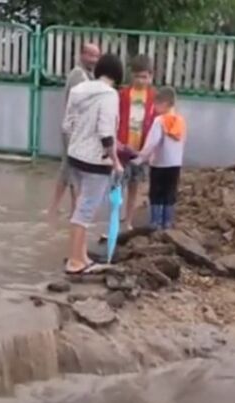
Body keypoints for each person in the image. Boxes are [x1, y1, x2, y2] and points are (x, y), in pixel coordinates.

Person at [62, 53, 124, 274]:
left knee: (79, 208)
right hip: (96, 162)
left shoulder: (79, 90)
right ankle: (75, 263)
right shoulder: (109, 95)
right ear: (117, 73)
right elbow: (106, 132)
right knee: (85, 212)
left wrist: (77, 144)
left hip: (75, 156)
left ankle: (80, 256)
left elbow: (67, 125)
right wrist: (116, 162)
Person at [47, 43, 100, 221]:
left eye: (96, 56)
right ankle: (55, 209)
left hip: (77, 129)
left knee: (72, 169)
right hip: (73, 130)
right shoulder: (78, 75)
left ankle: (69, 209)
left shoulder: (88, 75)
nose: (94, 59)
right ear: (82, 55)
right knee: (69, 168)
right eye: (91, 55)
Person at [133, 87, 186, 230]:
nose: (154, 107)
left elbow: (152, 143)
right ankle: (167, 222)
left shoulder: (159, 121)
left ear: (165, 104)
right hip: (175, 164)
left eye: (156, 104)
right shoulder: (180, 121)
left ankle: (155, 222)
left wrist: (140, 158)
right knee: (170, 192)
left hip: (159, 164)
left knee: (156, 193)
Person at [117, 54, 157, 230]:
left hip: (140, 151)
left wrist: (151, 150)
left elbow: (157, 123)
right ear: (131, 75)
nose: (140, 80)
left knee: (134, 186)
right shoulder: (123, 95)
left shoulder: (154, 97)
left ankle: (129, 221)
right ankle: (114, 219)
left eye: (144, 77)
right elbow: (115, 118)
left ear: (151, 76)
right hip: (122, 148)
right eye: (137, 76)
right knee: (117, 186)